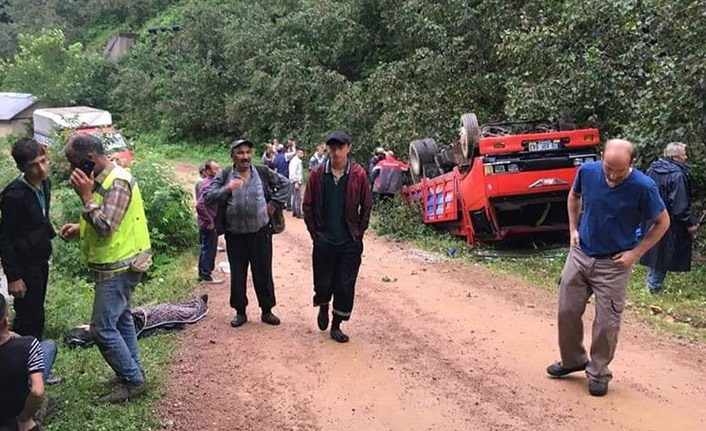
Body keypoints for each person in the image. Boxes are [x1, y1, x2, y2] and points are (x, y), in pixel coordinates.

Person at [546, 139, 669, 397]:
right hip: (581, 253)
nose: (613, 175)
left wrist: (635, 253)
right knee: (566, 310)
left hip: (614, 263)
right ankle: (573, 360)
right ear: (602, 157)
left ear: (632, 165)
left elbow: (662, 222)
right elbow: (574, 195)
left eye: (620, 171)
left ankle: (598, 372)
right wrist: (572, 229)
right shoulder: (588, 171)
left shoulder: (644, 187)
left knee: (606, 323)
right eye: (608, 168)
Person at [59, 134, 152, 403]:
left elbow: (107, 227)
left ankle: (133, 381)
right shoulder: (102, 181)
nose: (70, 169)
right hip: (115, 264)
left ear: (89, 160)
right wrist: (81, 228)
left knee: (101, 328)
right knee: (121, 320)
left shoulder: (117, 182)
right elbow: (109, 220)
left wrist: (86, 197)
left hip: (120, 267)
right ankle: (132, 371)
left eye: (72, 162)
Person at [204, 139, 290, 328]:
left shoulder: (262, 172)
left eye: (247, 152)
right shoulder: (225, 174)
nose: (245, 157)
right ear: (232, 156)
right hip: (235, 235)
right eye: (240, 153)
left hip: (260, 233)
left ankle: (267, 311)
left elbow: (285, 185)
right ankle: (240, 312)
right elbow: (208, 197)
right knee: (238, 274)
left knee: (263, 273)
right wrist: (228, 188)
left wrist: (274, 204)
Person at [303, 131, 373, 343]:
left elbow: (367, 204)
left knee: (345, 283)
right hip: (325, 239)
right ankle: (323, 306)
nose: (336, 151)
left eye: (340, 147)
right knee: (323, 281)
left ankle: (336, 324)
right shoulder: (317, 174)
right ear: (327, 149)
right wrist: (316, 234)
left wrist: (359, 232)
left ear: (348, 148)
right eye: (332, 147)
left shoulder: (358, 174)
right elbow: (307, 205)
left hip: (349, 240)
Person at [0, 138, 54, 340]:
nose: (41, 169)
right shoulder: (14, 196)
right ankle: (24, 362)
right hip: (24, 265)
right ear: (22, 167)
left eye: (43, 161)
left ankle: (30, 360)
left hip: (40, 260)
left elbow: (40, 217)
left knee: (37, 310)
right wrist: (13, 277)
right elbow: (5, 237)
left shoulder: (45, 184)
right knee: (30, 316)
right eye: (33, 166)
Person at [639, 143, 699, 293]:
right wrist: (689, 223)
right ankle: (652, 288)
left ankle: (651, 286)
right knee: (663, 254)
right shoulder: (678, 175)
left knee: (656, 253)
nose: (686, 157)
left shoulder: (653, 169)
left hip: (651, 218)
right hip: (669, 223)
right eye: (683, 154)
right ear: (675, 157)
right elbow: (680, 205)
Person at [0, 294, 57, 431]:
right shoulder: (28, 344)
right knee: (49, 346)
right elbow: (37, 392)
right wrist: (24, 418)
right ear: (5, 320)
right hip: (15, 412)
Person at [195, 160, 223, 284]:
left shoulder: (210, 183)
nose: (219, 171)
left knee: (205, 247)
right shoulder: (208, 185)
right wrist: (209, 221)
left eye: (219, 168)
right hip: (208, 223)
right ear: (207, 172)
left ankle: (202, 274)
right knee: (209, 248)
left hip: (204, 222)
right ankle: (206, 275)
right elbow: (200, 205)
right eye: (215, 169)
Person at [289, 149, 304, 218]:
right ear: (297, 153)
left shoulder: (297, 161)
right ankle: (298, 212)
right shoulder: (295, 161)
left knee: (295, 196)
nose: (302, 155)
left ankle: (295, 211)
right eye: (301, 153)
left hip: (296, 181)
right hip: (296, 181)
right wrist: (296, 182)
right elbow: (293, 172)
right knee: (297, 197)